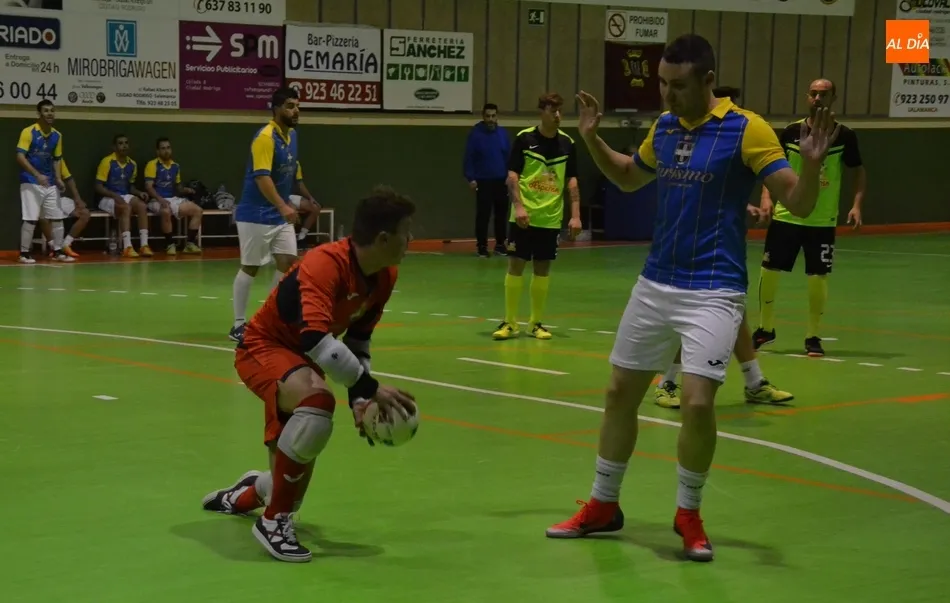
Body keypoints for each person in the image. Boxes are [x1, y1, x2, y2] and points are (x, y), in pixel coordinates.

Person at [546, 34, 837, 562]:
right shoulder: (664, 127)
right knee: (618, 394)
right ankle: (604, 505)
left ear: (708, 81)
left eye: (677, 85)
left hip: (715, 288)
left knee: (698, 403)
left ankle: (688, 514)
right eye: (662, 83)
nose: (667, 94)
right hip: (656, 282)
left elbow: (797, 201)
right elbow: (628, 177)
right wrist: (591, 139)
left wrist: (813, 165)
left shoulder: (747, 129)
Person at [201, 186, 418, 563]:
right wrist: (370, 387)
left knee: (290, 490)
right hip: (263, 347)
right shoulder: (325, 264)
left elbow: (358, 339)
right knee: (318, 404)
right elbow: (316, 338)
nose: (410, 240)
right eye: (406, 232)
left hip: (302, 361)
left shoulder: (384, 275)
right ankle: (272, 522)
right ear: (384, 238)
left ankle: (249, 493)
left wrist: (360, 400)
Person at [655, 85, 792, 408]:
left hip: (724, 249)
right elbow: (693, 193)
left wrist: (748, 206)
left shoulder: (740, 135)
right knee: (692, 315)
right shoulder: (681, 134)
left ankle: (754, 382)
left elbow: (717, 191)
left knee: (734, 313)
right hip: (691, 250)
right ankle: (667, 382)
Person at [754, 78, 865, 357]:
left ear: (833, 98)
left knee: (818, 276)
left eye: (823, 94)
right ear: (807, 97)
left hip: (822, 219)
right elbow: (772, 168)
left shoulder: (845, 136)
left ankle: (813, 336)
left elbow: (858, 171)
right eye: (813, 93)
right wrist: (766, 198)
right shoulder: (792, 132)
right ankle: (765, 329)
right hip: (787, 215)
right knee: (769, 270)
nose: (818, 98)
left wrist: (856, 205)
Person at [492, 92, 583, 341]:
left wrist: (575, 216)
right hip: (523, 217)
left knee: (542, 269)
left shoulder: (568, 143)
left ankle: (535, 323)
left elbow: (572, 181)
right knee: (516, 265)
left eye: (560, 111)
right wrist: (519, 207)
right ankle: (510, 322)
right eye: (552, 111)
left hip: (550, 218)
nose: (557, 115)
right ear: (541, 112)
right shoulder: (524, 139)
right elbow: (512, 176)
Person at [230, 87, 318, 343]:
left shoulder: (292, 136)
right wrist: (283, 206)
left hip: (279, 214)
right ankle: (238, 324)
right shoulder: (265, 138)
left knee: (288, 264)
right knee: (251, 267)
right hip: (255, 214)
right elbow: (262, 178)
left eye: (298, 106)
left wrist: (285, 205)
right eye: (290, 106)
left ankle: (267, 320)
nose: (296, 111)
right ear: (276, 109)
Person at [16, 99, 71, 264]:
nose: (50, 114)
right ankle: (24, 253)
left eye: (52, 111)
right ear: (39, 114)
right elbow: (20, 156)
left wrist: (58, 178)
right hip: (30, 181)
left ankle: (58, 251)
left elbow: (56, 159)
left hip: (50, 183)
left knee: (57, 217)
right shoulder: (28, 132)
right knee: (31, 218)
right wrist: (36, 174)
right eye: (46, 111)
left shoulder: (57, 135)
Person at [464, 102, 511, 257]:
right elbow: (469, 157)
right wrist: (471, 178)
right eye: (488, 116)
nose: (491, 119)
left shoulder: (503, 134)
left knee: (501, 215)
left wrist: (509, 176)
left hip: (501, 181)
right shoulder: (475, 134)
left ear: (497, 117)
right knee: (483, 215)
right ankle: (482, 246)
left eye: (493, 116)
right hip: (483, 181)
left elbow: (508, 156)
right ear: (483, 117)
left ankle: (500, 244)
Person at [143, 137, 204, 255]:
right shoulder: (152, 165)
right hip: (155, 200)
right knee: (166, 211)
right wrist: (160, 199)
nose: (166, 151)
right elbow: (148, 187)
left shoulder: (175, 166)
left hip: (172, 199)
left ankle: (190, 244)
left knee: (198, 210)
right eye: (163, 148)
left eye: (168, 148)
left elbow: (178, 187)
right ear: (158, 151)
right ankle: (170, 244)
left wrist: (187, 190)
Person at [95, 134, 151, 258]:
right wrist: (114, 195)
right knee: (125, 207)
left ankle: (144, 245)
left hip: (124, 195)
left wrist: (139, 193)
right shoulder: (107, 162)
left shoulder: (132, 164)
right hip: (106, 198)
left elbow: (130, 187)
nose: (124, 146)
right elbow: (98, 186)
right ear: (114, 147)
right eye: (120, 143)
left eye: (126, 143)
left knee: (142, 206)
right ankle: (127, 247)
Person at [38, 158, 90, 259]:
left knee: (85, 213)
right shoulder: (36, 160)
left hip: (60, 199)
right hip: (44, 200)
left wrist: (78, 199)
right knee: (43, 217)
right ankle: (53, 247)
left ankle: (66, 244)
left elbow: (69, 178)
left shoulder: (58, 160)